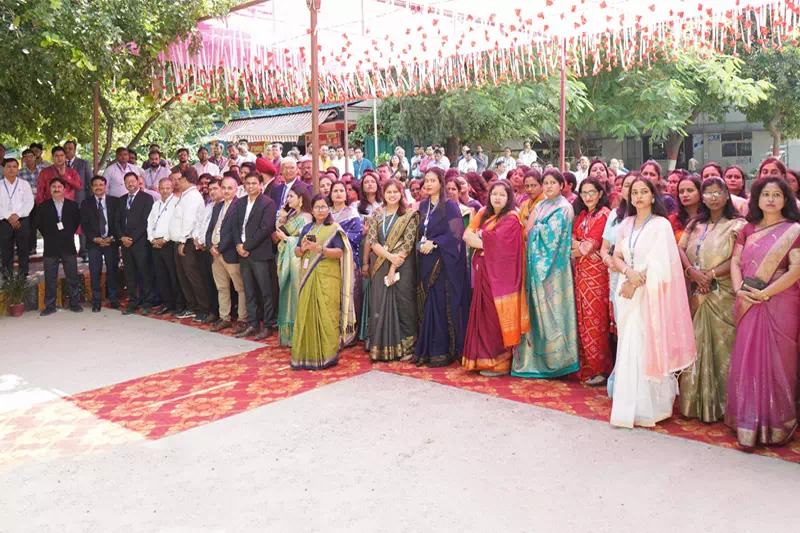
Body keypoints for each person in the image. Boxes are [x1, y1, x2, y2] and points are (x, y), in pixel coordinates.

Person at [609, 177, 696, 428]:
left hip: (651, 292)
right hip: (627, 291)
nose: (638, 196)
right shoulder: (626, 223)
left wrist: (637, 280)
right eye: (634, 192)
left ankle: (653, 408)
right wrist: (628, 273)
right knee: (629, 344)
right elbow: (616, 256)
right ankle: (629, 406)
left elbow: (663, 262)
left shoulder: (661, 225)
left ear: (652, 195)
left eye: (643, 192)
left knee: (649, 342)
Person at [726, 176, 800, 448]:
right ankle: (748, 423)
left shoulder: (794, 230)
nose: (770, 199)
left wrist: (767, 292)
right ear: (756, 199)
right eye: (765, 194)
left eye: (776, 195)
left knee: (780, 361)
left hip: (781, 300)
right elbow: (735, 262)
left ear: (785, 200)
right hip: (748, 299)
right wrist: (739, 290)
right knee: (748, 358)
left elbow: (796, 270)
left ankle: (776, 425)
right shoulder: (747, 229)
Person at [676, 177, 745, 423]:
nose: (713, 197)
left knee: (724, 348)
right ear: (702, 198)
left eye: (718, 192)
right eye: (708, 193)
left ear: (727, 196)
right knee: (696, 345)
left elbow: (738, 258)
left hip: (723, 294)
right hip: (696, 291)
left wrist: (711, 274)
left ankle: (726, 406)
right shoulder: (695, 224)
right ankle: (695, 405)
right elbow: (680, 249)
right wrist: (692, 273)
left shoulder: (738, 225)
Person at [513, 169, 579, 378]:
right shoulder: (540, 205)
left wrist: (536, 227)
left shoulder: (564, 207)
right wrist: (536, 228)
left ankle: (559, 361)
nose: (549, 186)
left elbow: (554, 239)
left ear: (562, 185)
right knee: (535, 311)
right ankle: (534, 361)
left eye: (553, 183)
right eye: (546, 183)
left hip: (554, 270)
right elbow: (527, 231)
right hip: (535, 267)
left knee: (554, 312)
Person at [462, 181, 529, 375]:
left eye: (502, 195)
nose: (497, 198)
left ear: (509, 198)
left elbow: (504, 247)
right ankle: (482, 361)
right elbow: (467, 235)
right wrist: (486, 240)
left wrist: (482, 239)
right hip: (482, 273)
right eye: (494, 194)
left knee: (494, 318)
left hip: (501, 278)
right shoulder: (484, 213)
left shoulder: (512, 218)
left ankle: (500, 362)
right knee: (482, 317)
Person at [291, 194, 357, 369]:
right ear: (311, 210)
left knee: (327, 315)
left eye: (323, 207)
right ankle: (306, 355)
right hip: (307, 276)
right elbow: (297, 252)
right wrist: (303, 248)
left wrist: (320, 249)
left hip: (328, 277)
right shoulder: (307, 228)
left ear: (329, 209)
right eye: (316, 207)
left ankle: (327, 355)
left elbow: (340, 252)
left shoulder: (334, 228)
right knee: (306, 313)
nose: (320, 210)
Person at [415, 167, 470, 367]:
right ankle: (429, 348)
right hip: (425, 260)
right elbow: (420, 231)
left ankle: (444, 350)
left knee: (440, 304)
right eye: (426, 180)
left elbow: (456, 235)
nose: (428, 184)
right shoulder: (423, 206)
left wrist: (436, 243)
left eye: (433, 180)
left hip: (443, 262)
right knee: (428, 303)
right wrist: (421, 244)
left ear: (441, 183)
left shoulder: (450, 206)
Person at [365, 179, 420, 360]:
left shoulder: (409, 215)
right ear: (383, 194)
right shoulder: (376, 214)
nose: (392, 195)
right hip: (381, 263)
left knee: (404, 303)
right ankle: (382, 347)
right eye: (389, 192)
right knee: (379, 302)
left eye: (395, 191)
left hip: (403, 266)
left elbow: (408, 244)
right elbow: (373, 241)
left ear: (401, 193)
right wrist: (389, 258)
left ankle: (407, 348)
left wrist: (393, 266)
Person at [571, 178, 613, 386]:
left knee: (596, 321)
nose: (587, 196)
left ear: (600, 193)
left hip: (597, 276)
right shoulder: (583, 215)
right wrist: (579, 247)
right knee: (583, 319)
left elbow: (587, 248)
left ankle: (602, 369)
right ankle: (588, 367)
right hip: (581, 273)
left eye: (592, 192)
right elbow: (572, 241)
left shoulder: (604, 215)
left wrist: (579, 248)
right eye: (584, 192)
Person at [233, 173, 278, 340]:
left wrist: (247, 246)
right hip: (242, 253)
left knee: (265, 291)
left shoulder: (268, 203)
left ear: (261, 185)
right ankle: (252, 323)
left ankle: (267, 325)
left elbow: (266, 228)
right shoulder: (240, 202)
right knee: (249, 290)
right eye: (248, 183)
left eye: (254, 183)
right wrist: (239, 245)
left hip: (259, 253)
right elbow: (235, 226)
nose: (250, 186)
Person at [207, 176, 248, 334]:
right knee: (222, 287)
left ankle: (243, 319)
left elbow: (234, 231)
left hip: (230, 253)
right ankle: (224, 317)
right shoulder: (217, 206)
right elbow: (210, 228)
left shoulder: (240, 205)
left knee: (240, 288)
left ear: (236, 189)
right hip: (215, 254)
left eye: (230, 188)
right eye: (223, 187)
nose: (226, 191)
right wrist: (210, 246)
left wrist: (220, 248)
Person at [274, 182, 313, 345]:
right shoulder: (292, 216)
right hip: (287, 260)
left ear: (301, 199)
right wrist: (282, 217)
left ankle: (300, 335)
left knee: (296, 295)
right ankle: (288, 336)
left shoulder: (306, 217)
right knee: (287, 294)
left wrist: (287, 239)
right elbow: (278, 233)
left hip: (298, 261)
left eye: (291, 196)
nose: (288, 199)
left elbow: (306, 241)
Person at [37, 178, 83, 315]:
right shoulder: (43, 206)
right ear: (50, 189)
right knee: (50, 278)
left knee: (72, 276)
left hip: (68, 245)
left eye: (59, 187)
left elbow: (76, 222)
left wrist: (66, 234)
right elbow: (40, 224)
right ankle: (50, 306)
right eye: (53, 187)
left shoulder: (72, 206)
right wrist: (50, 235)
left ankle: (75, 304)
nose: (56, 189)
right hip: (50, 246)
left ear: (64, 189)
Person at [170, 169, 209, 320]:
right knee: (183, 277)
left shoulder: (192, 196)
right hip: (181, 241)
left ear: (185, 179)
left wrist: (182, 241)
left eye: (179, 179)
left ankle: (203, 308)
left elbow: (189, 221)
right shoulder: (185, 195)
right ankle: (192, 306)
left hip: (188, 242)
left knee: (193, 276)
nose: (177, 182)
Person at [600, 172, 637, 328]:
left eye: (635, 186)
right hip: (616, 274)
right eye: (627, 186)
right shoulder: (615, 214)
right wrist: (609, 261)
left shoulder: (650, 218)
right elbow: (604, 248)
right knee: (621, 321)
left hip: (638, 276)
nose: (631, 190)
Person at [81, 176, 121, 312]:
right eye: (95, 185)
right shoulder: (86, 203)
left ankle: (113, 299)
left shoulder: (115, 201)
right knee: (95, 271)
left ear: (105, 186)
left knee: (112, 271)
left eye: (101, 185)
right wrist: (95, 238)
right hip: (94, 243)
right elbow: (84, 224)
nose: (98, 187)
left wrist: (112, 237)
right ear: (92, 187)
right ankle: (96, 301)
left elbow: (118, 222)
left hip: (111, 242)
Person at [119, 171, 155, 315]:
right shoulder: (121, 200)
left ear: (138, 182)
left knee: (144, 273)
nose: (130, 184)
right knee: (129, 274)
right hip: (125, 243)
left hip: (140, 243)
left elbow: (146, 221)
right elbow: (116, 221)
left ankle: (147, 302)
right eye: (127, 182)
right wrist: (122, 237)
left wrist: (132, 238)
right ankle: (133, 302)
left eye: (133, 181)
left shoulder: (147, 198)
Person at [147, 177, 181, 316]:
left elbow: (175, 224)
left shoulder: (176, 202)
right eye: (162, 188)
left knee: (173, 274)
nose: (165, 191)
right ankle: (167, 303)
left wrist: (165, 239)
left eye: (167, 188)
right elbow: (150, 222)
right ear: (158, 189)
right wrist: (151, 239)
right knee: (161, 275)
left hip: (169, 243)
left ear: (172, 188)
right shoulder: (156, 204)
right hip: (155, 243)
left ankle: (178, 304)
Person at [192, 178, 222, 325]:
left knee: (219, 284)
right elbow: (200, 224)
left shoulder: (224, 206)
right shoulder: (209, 206)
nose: (212, 192)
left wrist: (207, 243)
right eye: (210, 189)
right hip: (203, 249)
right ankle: (213, 311)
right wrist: (197, 239)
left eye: (215, 188)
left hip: (216, 249)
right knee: (207, 282)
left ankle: (222, 313)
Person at [0, 159, 35, 277]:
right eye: (8, 166)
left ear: (17, 169)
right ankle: (7, 275)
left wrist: (17, 215)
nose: (11, 169)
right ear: (4, 169)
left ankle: (23, 274)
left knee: (23, 248)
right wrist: (9, 216)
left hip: (22, 220)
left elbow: (29, 202)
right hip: (4, 221)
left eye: (14, 166)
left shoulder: (24, 184)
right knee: (6, 249)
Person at [668, 174, 701, 244]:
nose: (685, 195)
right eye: (681, 192)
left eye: (690, 190)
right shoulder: (672, 220)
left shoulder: (709, 218)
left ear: (700, 192)